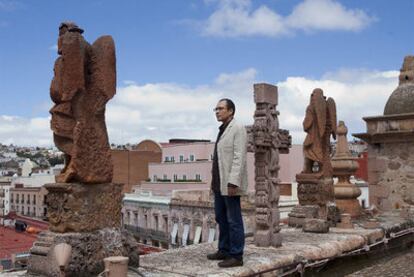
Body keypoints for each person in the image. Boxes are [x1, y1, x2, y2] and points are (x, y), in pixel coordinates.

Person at [207, 98, 248, 268]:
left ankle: (236, 255)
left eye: (221, 108)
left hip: (230, 183)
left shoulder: (237, 128)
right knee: (221, 217)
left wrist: (233, 182)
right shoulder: (222, 129)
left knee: (234, 220)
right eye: (215, 109)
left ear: (230, 111)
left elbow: (239, 157)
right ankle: (223, 249)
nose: (217, 111)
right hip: (219, 183)